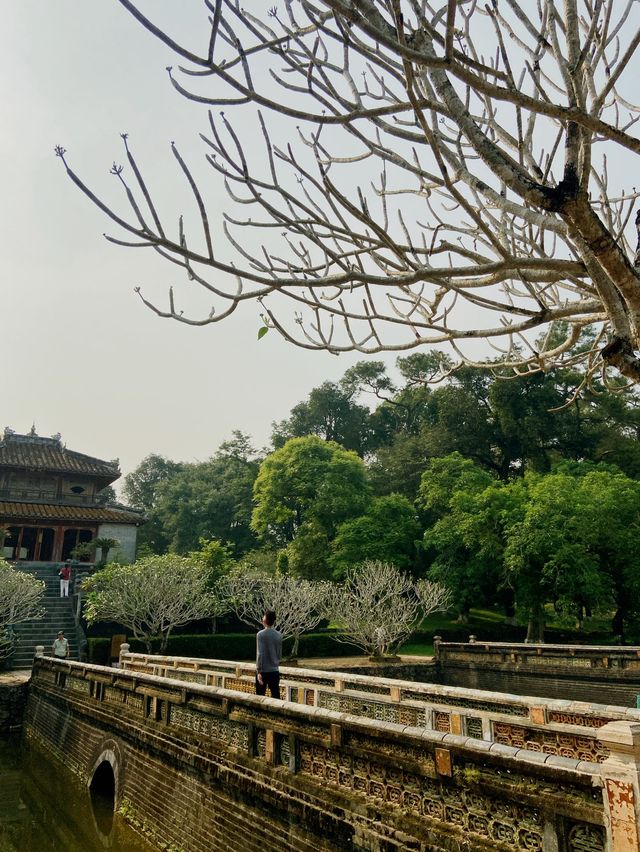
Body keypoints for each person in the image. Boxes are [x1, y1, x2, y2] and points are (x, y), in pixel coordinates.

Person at [255, 610, 282, 698]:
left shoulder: (260, 634)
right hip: (274, 670)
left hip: (263, 671)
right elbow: (279, 654)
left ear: (265, 619)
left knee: (260, 697)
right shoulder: (279, 635)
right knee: (276, 696)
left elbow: (260, 654)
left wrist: (259, 671)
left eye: (263, 616)